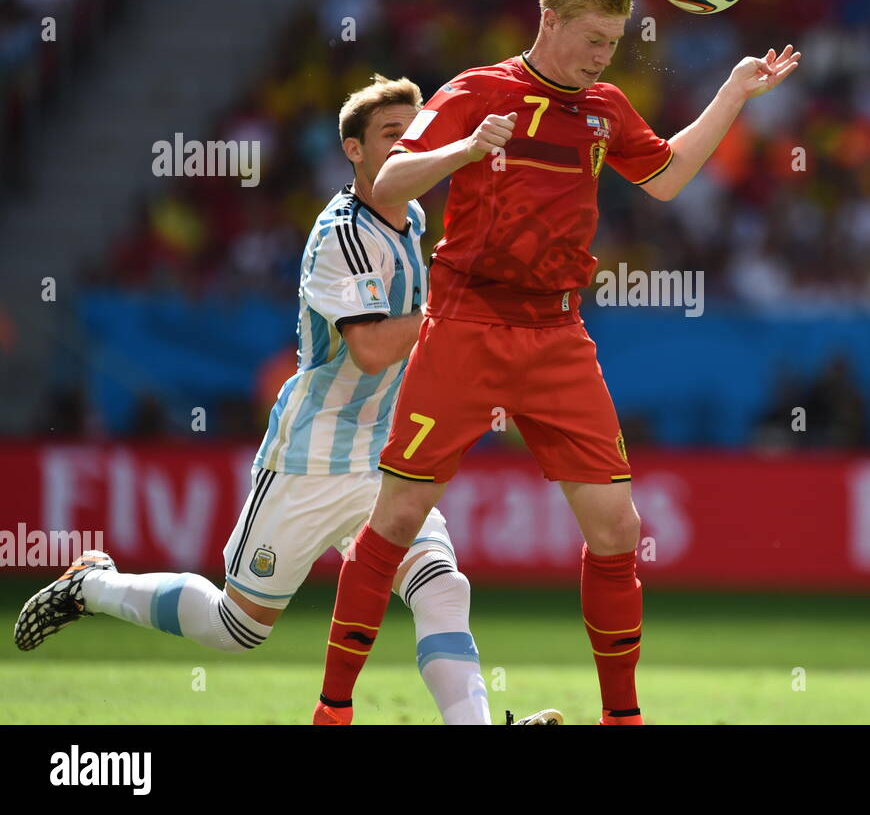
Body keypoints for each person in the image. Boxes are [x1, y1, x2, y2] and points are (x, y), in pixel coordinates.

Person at [314, 0, 799, 725]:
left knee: (618, 528)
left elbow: (669, 177)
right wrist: (466, 150)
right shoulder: (478, 91)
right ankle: (333, 710)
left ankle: (622, 717)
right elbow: (388, 183)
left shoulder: (604, 108)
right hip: (467, 325)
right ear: (551, 20)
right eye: (594, 39)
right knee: (398, 519)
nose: (604, 56)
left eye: (614, 42)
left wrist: (734, 91)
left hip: (557, 333)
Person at [14, 75, 558, 725]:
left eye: (419, 131)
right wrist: (461, 310)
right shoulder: (342, 235)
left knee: (442, 585)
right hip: (311, 460)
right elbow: (375, 348)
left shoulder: (411, 218)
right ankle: (94, 585)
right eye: (392, 135)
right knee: (236, 624)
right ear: (354, 151)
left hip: (384, 457)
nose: (411, 144)